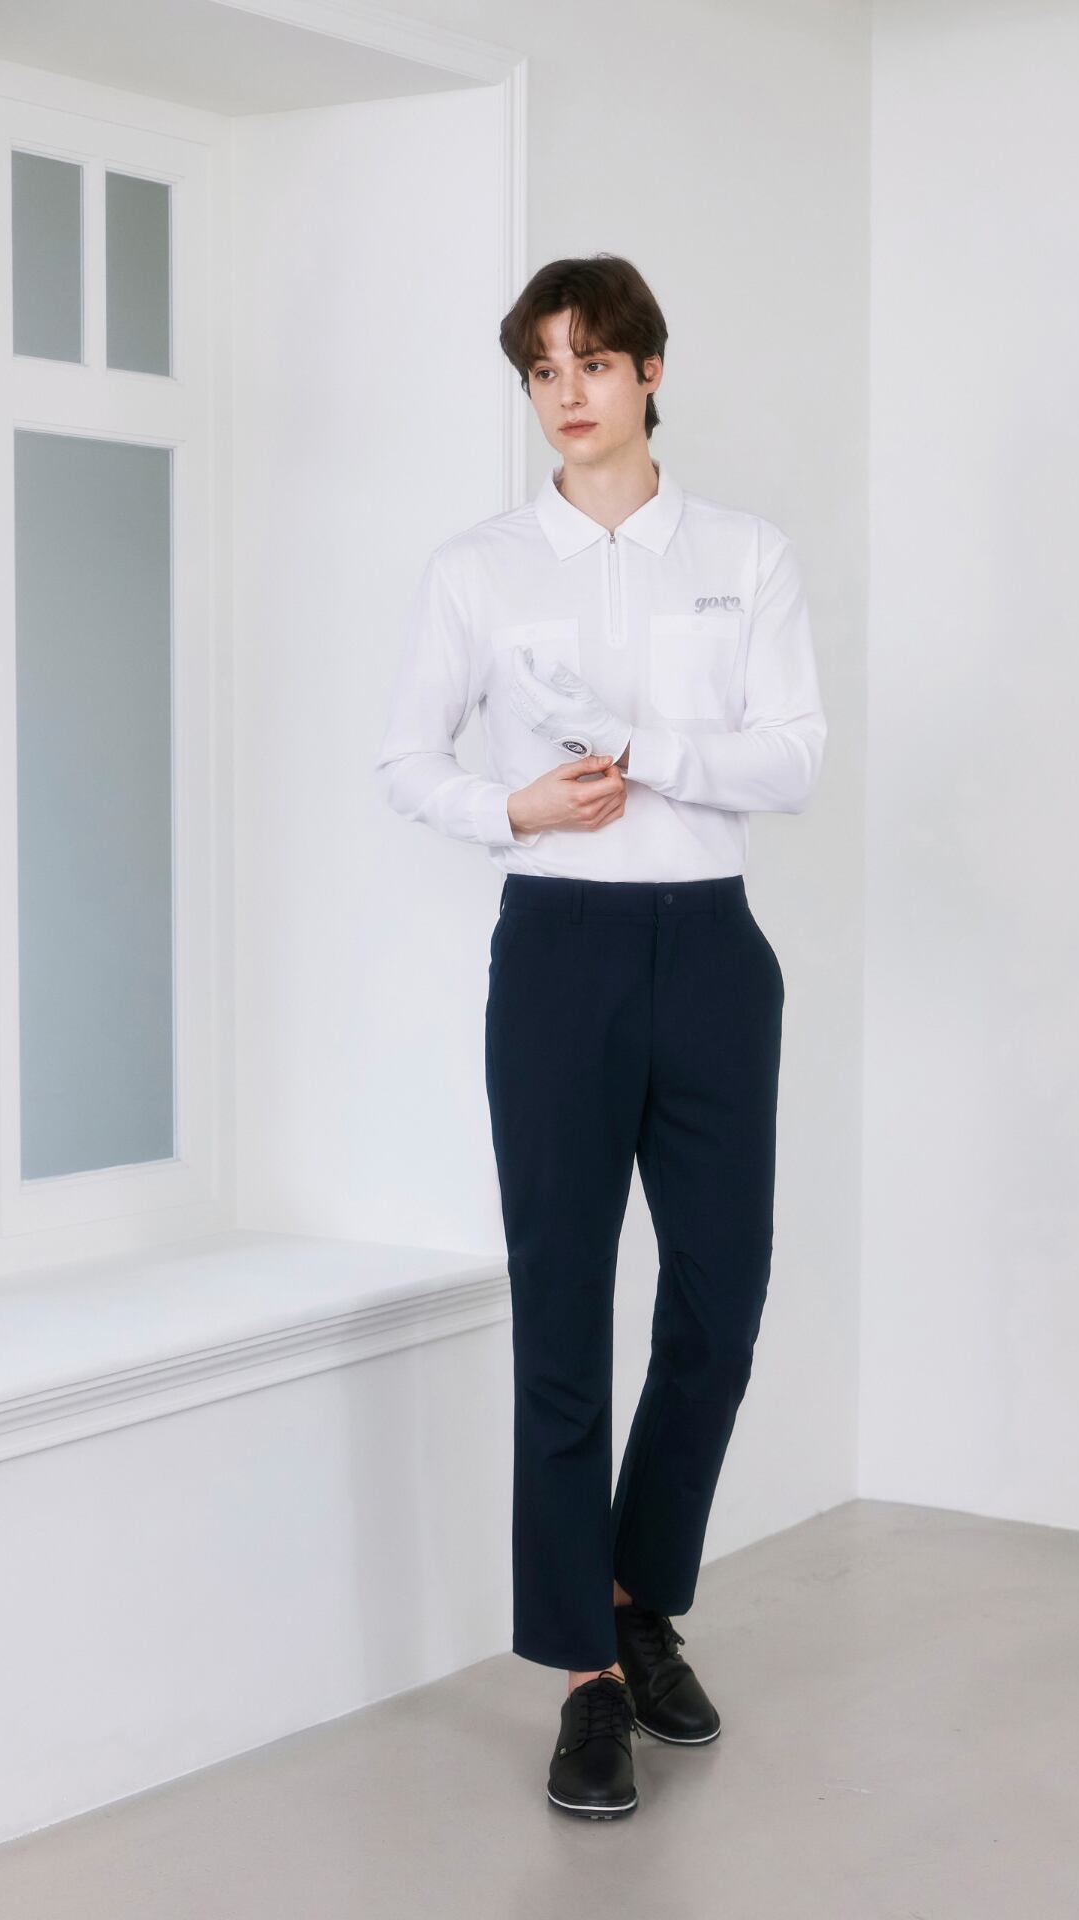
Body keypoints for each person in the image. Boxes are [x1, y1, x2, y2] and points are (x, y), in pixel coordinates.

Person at [374, 253, 828, 1820]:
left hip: (712, 950)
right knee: (563, 1315)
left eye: (593, 361)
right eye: (542, 370)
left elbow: (793, 760)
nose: (567, 393)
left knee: (720, 1303)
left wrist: (644, 747)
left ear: (649, 372)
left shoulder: (745, 555)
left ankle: (638, 1599)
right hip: (560, 952)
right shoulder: (480, 570)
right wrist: (513, 807)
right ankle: (586, 1678)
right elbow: (404, 759)